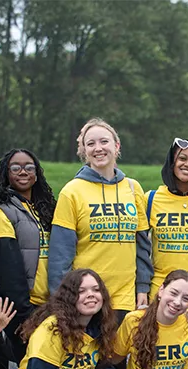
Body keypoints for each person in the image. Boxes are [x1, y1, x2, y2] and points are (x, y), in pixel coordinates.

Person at [48, 118, 152, 325]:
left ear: (117, 145)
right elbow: (60, 255)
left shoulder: (133, 188)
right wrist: (62, 302)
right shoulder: (72, 191)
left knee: (118, 358)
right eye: (91, 144)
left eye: (104, 142)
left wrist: (142, 287)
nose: (98, 148)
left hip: (125, 297)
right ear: (83, 151)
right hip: (87, 298)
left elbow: (142, 246)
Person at [0, 148, 56, 364]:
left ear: (37, 173)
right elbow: (8, 269)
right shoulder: (1, 213)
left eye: (29, 167)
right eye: (16, 167)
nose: (23, 172)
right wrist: (25, 313)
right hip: (25, 306)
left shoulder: (43, 210)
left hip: (49, 304)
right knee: (30, 366)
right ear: (6, 173)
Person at [145, 139, 188, 329]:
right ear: (172, 161)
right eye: (182, 158)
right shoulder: (151, 199)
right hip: (162, 294)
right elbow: (140, 251)